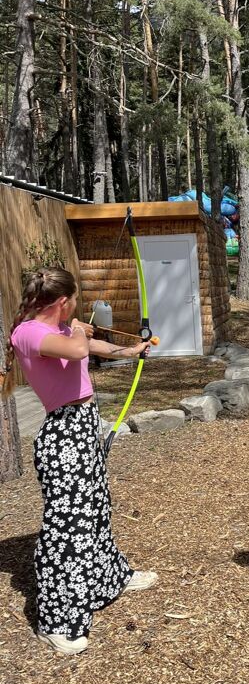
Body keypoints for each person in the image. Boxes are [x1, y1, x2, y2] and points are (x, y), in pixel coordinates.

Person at [1, 267, 158, 655]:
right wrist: (77, 330)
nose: (77, 309)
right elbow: (76, 348)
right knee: (66, 526)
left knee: (95, 510)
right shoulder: (28, 332)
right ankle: (56, 621)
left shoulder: (59, 331)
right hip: (63, 436)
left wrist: (131, 351)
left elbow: (90, 348)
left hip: (83, 427)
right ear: (63, 301)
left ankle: (108, 578)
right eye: (74, 302)